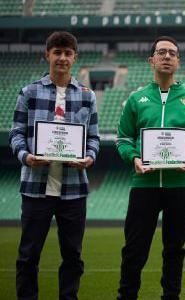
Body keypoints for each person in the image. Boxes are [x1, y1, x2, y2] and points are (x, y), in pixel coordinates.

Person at [115, 36, 185, 300]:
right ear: (152, 60)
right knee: (135, 248)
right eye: (161, 52)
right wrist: (133, 158)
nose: (167, 56)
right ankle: (126, 295)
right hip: (144, 184)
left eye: (172, 53)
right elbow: (123, 138)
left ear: (178, 61)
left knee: (174, 249)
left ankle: (171, 296)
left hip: (182, 184)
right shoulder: (136, 99)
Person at [9, 31, 100, 300]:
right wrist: (26, 156)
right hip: (35, 187)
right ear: (47, 55)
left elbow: (93, 137)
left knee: (72, 256)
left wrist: (90, 157)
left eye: (67, 53)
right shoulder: (29, 92)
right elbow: (16, 133)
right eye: (57, 52)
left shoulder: (87, 96)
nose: (62, 58)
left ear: (75, 57)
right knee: (28, 255)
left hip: (73, 190)